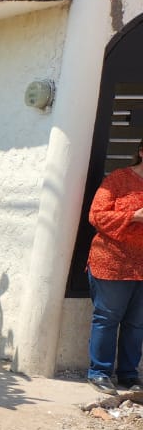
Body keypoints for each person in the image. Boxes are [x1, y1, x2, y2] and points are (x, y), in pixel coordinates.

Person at [86, 137, 143, 397]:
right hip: (112, 263)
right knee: (107, 319)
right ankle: (99, 372)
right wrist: (133, 216)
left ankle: (129, 375)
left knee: (138, 323)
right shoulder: (119, 179)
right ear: (141, 152)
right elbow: (96, 215)